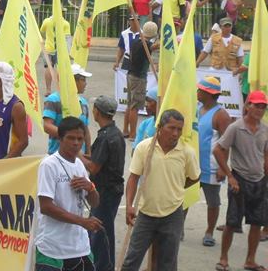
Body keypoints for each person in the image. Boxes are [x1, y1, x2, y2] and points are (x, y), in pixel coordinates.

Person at [120, 110, 201, 271]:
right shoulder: (144, 148)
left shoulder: (187, 152)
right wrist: (129, 205)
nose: (176, 133)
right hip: (145, 213)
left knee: (167, 263)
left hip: (173, 214)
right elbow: (133, 178)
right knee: (131, 261)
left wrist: (176, 187)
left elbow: (195, 177)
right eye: (171, 128)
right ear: (160, 127)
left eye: (179, 129)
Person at [35, 117, 102, 271]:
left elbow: (95, 202)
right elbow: (46, 207)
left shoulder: (79, 165)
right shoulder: (49, 165)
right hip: (52, 248)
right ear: (60, 138)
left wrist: (91, 188)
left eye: (80, 139)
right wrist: (82, 221)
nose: (76, 143)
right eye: (71, 138)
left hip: (79, 246)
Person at [214, 92, 268, 271]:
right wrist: (229, 175)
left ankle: (250, 260)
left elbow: (265, 154)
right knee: (232, 222)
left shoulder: (265, 129)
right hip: (240, 180)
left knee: (256, 222)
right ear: (247, 106)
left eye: (263, 107)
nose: (260, 109)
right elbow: (218, 150)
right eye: (256, 105)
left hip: (259, 181)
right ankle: (223, 258)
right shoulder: (235, 127)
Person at [84, 96, 125, 271]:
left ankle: (104, 266)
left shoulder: (106, 137)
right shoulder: (115, 133)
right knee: (101, 230)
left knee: (100, 232)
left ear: (97, 112)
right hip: (111, 190)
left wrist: (75, 156)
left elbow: (94, 167)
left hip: (105, 191)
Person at [198, 75, 232, 247]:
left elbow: (226, 144)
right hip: (193, 165)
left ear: (208, 94)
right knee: (184, 198)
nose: (197, 92)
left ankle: (209, 231)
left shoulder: (221, 115)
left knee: (213, 202)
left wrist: (222, 168)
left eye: (200, 90)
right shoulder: (197, 108)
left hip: (211, 166)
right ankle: (178, 228)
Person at [43, 64, 92, 154]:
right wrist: (70, 136)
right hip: (57, 154)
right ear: (73, 81)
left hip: (79, 157)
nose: (85, 83)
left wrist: (88, 152)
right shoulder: (54, 99)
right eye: (83, 80)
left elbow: (85, 129)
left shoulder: (83, 103)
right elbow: (47, 126)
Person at [125, 20, 156, 141]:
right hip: (138, 77)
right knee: (135, 106)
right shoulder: (146, 44)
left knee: (129, 104)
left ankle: (125, 130)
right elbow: (153, 46)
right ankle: (132, 134)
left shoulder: (135, 41)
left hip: (131, 74)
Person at [41, 8, 72, 95]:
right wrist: (68, 52)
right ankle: (60, 89)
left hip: (48, 48)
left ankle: (48, 90)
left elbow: (42, 32)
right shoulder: (65, 23)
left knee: (48, 68)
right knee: (59, 69)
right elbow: (67, 39)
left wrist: (47, 38)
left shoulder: (46, 21)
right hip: (60, 49)